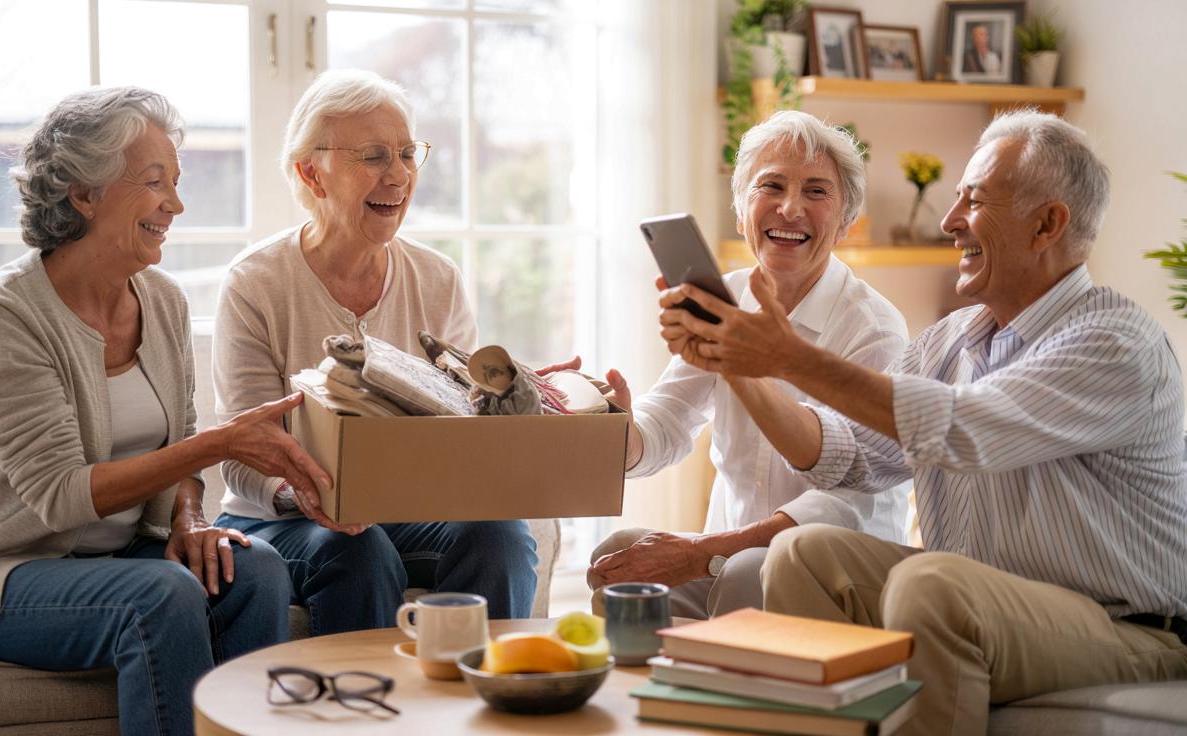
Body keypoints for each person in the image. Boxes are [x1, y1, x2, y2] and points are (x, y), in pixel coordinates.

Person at [661, 110, 1187, 735]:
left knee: (933, 583)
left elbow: (966, 429)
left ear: (1047, 224)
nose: (949, 220)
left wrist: (787, 356)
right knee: (803, 553)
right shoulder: (949, 342)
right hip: (987, 602)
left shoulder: (1113, 341)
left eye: (975, 200)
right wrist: (738, 364)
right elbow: (847, 457)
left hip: (1124, 628)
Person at [0, 87, 323, 735]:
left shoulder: (164, 301)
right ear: (84, 194)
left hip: (115, 557)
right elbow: (61, 497)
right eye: (154, 182)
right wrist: (222, 444)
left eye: (176, 183)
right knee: (162, 595)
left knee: (256, 569)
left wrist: (190, 518)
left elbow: (178, 439)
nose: (175, 205)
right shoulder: (3, 316)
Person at [211, 69, 538, 636]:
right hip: (280, 521)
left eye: (408, 154)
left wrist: (515, 403)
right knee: (357, 552)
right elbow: (240, 454)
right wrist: (302, 495)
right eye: (375, 156)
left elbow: (467, 424)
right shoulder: (255, 282)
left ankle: (489, 706)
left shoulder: (437, 279)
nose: (401, 175)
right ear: (312, 173)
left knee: (501, 534)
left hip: (410, 511)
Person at [585, 110, 909, 620]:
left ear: (847, 221)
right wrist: (617, 426)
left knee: (745, 569)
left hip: (831, 567)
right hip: (734, 555)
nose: (790, 208)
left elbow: (842, 505)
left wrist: (701, 551)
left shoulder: (875, 329)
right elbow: (668, 422)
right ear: (741, 212)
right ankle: (659, 697)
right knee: (618, 557)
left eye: (817, 192)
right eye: (771, 186)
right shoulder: (727, 297)